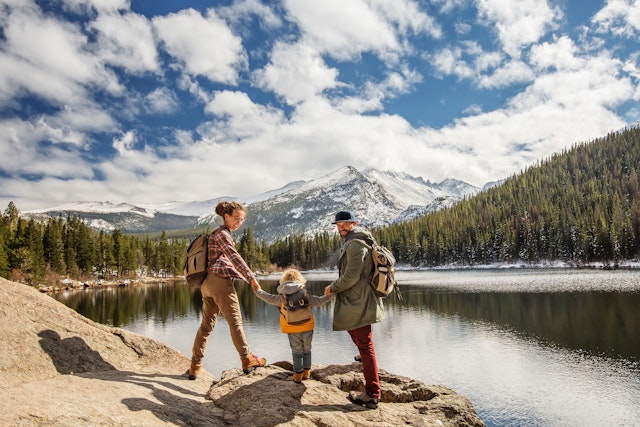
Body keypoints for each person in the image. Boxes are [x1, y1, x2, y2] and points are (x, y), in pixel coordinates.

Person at [188, 201, 267, 379]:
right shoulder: (223, 234)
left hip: (207, 284)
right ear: (226, 216)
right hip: (220, 283)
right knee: (235, 322)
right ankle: (247, 359)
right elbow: (234, 256)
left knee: (206, 326)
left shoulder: (215, 234)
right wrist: (251, 278)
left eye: (241, 220)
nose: (239, 222)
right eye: (236, 218)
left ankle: (195, 365)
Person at [324, 210, 384, 409]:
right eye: (338, 224)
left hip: (358, 300)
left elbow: (351, 276)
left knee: (366, 345)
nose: (340, 227)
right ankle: (363, 356)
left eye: (344, 224)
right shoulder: (354, 240)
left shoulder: (356, 244)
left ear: (353, 223)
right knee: (357, 336)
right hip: (357, 299)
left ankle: (372, 394)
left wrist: (332, 287)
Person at [252, 268, 330, 383]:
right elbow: (319, 301)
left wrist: (258, 291)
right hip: (307, 327)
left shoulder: (282, 297)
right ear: (300, 280)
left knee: (296, 352)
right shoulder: (305, 294)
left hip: (292, 328)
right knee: (307, 350)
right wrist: (328, 296)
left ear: (284, 281)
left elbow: (268, 298)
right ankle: (306, 374)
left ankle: (297, 376)